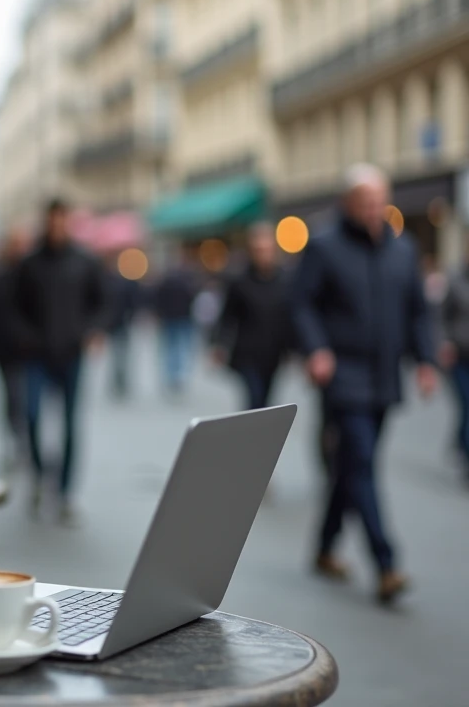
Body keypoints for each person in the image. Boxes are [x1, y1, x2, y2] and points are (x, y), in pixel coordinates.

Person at [292, 163, 438, 605]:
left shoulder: (403, 250)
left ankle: (323, 547)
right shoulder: (323, 247)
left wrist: (426, 360)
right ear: (347, 204)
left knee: (352, 467)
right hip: (341, 375)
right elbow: (302, 304)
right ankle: (386, 563)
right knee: (361, 462)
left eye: (379, 202)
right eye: (365, 203)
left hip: (384, 376)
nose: (374, 210)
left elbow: (417, 309)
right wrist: (316, 349)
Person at [15, 200, 107, 525]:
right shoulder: (29, 264)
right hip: (36, 355)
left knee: (70, 423)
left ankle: (66, 492)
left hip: (71, 354)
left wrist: (92, 331)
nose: (57, 226)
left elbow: (102, 302)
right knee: (32, 416)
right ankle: (41, 476)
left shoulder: (84, 262)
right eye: (52, 220)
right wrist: (26, 337)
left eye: (62, 220)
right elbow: (15, 306)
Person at [210, 223, 293, 411]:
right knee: (254, 397)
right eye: (258, 250)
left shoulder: (285, 280)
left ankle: (261, 434)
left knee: (266, 398)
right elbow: (227, 316)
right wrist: (219, 345)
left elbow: (290, 316)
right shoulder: (239, 281)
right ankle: (252, 433)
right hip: (247, 353)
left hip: (274, 352)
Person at [0, 226, 35, 469]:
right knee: (11, 398)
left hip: (30, 349)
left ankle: (26, 442)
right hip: (4, 347)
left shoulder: (32, 272)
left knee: (25, 399)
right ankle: (16, 441)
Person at [153, 250, 199, 395]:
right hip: (182, 318)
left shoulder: (165, 281)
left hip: (170, 318)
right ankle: (177, 375)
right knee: (181, 348)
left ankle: (172, 375)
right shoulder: (187, 281)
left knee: (171, 348)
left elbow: (158, 299)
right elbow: (192, 299)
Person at [441, 255, 469, 480]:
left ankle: (461, 441)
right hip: (459, 356)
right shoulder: (456, 280)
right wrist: (444, 342)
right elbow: (440, 317)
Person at [104, 257, 141, 399]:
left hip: (120, 324)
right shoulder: (111, 282)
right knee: (118, 355)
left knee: (120, 355)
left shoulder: (121, 283)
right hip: (115, 324)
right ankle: (118, 381)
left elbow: (132, 302)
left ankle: (120, 381)